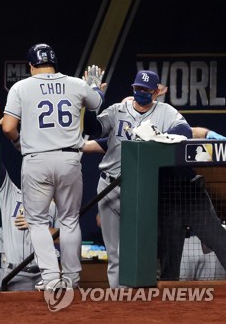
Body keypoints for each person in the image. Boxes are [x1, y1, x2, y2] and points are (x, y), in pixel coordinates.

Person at [2, 43, 103, 290]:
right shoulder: (75, 84)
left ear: (31, 65)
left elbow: (7, 127)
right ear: (54, 62)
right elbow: (96, 104)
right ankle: (71, 279)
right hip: (69, 158)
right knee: (69, 220)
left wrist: (17, 142)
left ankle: (50, 279)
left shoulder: (21, 87)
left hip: (37, 159)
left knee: (36, 222)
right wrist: (93, 87)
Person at [83, 70, 195, 288]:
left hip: (141, 188)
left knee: (143, 249)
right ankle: (118, 300)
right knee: (114, 253)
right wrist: (91, 99)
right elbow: (92, 128)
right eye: (137, 88)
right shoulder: (118, 109)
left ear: (155, 92)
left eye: (145, 90)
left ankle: (142, 302)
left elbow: (185, 132)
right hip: (109, 184)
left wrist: (159, 137)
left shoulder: (165, 111)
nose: (140, 93)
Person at [0, 102, 60, 291]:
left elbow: (67, 237)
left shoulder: (54, 203)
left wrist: (39, 227)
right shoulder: (11, 194)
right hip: (16, 273)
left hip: (47, 273)